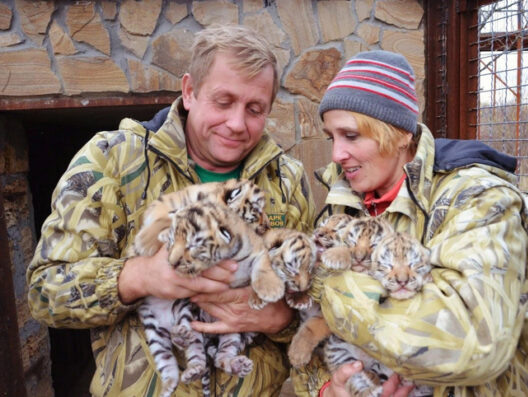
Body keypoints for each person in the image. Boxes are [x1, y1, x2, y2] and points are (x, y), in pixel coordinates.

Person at [27, 25, 315, 396]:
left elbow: (312, 295)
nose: (237, 123)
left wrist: (282, 320)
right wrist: (137, 277)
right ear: (190, 91)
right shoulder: (113, 158)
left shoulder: (286, 178)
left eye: (255, 109)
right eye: (223, 101)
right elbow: (45, 292)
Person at [292, 51, 528, 397]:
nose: (336, 154)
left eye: (351, 136)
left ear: (400, 134)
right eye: (331, 137)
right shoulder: (344, 203)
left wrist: (327, 284)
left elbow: (472, 344)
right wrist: (328, 389)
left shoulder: (476, 198)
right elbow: (306, 337)